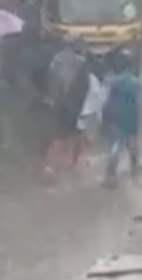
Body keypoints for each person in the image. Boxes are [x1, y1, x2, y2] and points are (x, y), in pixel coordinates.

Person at [41, 41, 89, 181]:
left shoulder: (56, 60)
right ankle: (73, 163)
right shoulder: (81, 63)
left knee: (58, 135)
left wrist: (50, 97)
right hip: (74, 104)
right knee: (76, 133)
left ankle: (51, 167)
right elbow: (84, 86)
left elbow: (50, 81)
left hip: (58, 102)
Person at [102, 49, 142, 186]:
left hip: (114, 116)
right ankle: (134, 169)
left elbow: (104, 99)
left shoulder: (111, 81)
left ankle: (110, 174)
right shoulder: (135, 82)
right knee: (132, 145)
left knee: (115, 145)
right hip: (130, 117)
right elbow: (140, 100)